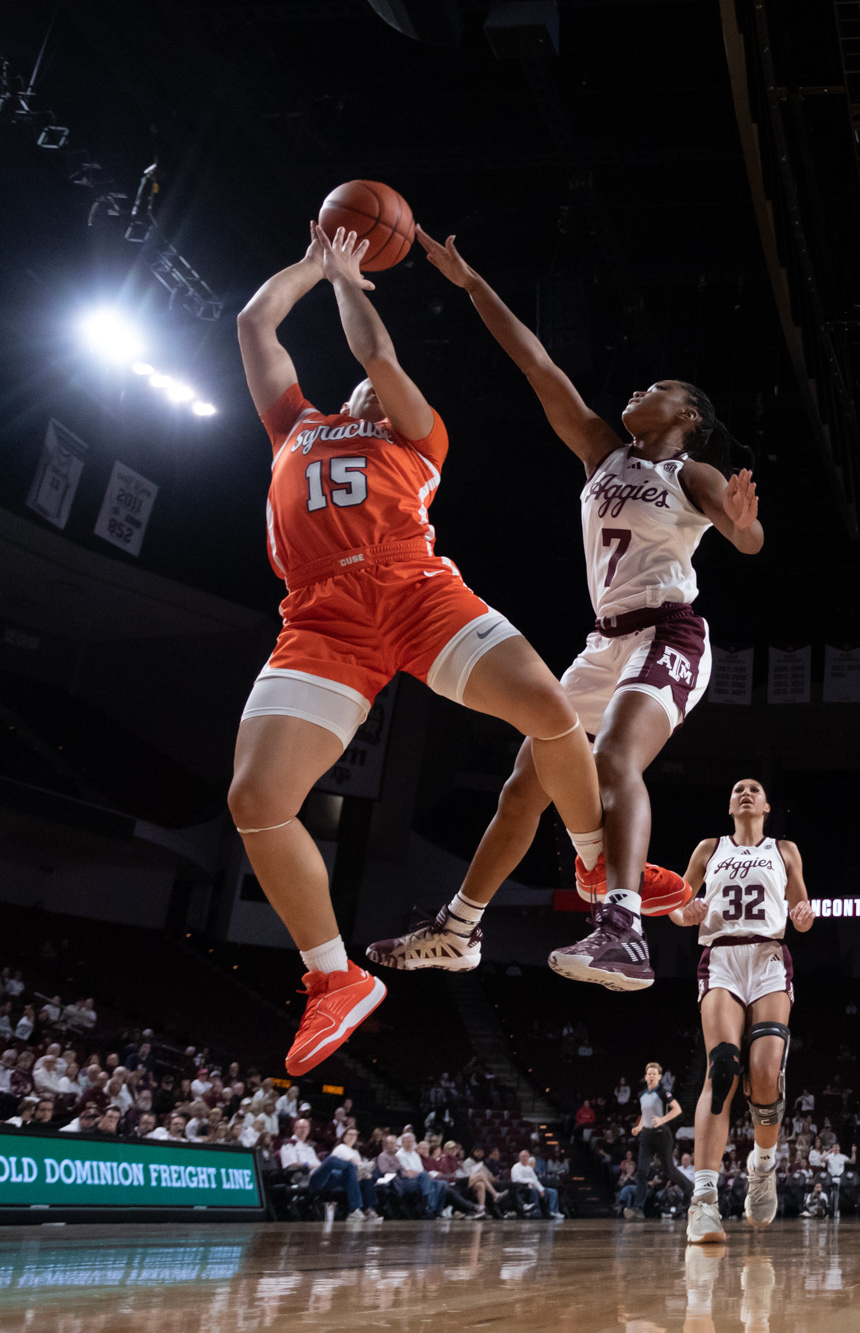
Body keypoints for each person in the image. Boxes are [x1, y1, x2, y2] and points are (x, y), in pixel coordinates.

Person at [230, 223, 608, 1076]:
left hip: (413, 593)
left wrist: (345, 283)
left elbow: (379, 355)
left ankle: (593, 863)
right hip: (320, 622)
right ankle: (333, 977)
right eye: (361, 386)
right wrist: (313, 262)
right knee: (256, 799)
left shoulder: (416, 434)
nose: (368, 388)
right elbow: (256, 324)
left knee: (550, 711)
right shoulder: (293, 423)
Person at [366, 229, 761, 986]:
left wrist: (742, 527)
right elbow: (534, 361)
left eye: (660, 387)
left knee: (613, 756)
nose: (641, 389)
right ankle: (458, 930)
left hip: (669, 632)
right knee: (527, 779)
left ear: (688, 415)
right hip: (604, 641)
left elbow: (747, 540)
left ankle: (622, 931)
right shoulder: (600, 449)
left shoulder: (694, 471)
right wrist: (470, 278)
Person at [666, 778, 814, 1242]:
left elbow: (799, 905)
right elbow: (675, 902)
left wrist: (803, 917)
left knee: (766, 1071)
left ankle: (762, 1166)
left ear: (767, 805)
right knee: (723, 1067)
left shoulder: (785, 850)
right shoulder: (708, 848)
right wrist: (682, 914)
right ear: (730, 805)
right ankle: (703, 1202)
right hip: (722, 957)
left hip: (769, 957)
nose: (745, 793)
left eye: (754, 789)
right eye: (737, 790)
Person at [634, 1062, 685, 1192]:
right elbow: (645, 1114)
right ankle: (637, 1207)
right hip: (646, 1134)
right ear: (645, 1077)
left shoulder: (663, 1092)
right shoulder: (641, 1095)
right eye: (649, 1074)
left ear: (659, 1077)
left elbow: (677, 1109)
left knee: (669, 1171)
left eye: (654, 1074)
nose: (651, 1076)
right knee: (641, 1171)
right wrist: (639, 1127)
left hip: (662, 1133)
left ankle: (689, 1187)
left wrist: (662, 1120)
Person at [511, 1149, 558, 1217]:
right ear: (520, 1157)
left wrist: (541, 1189)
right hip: (522, 1188)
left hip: (532, 1187)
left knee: (549, 1192)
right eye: (523, 1156)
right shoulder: (516, 1167)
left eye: (526, 1156)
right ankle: (535, 1212)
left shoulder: (529, 1168)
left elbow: (535, 1180)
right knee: (534, 1191)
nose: (525, 1158)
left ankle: (550, 1212)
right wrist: (530, 1181)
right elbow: (516, 1179)